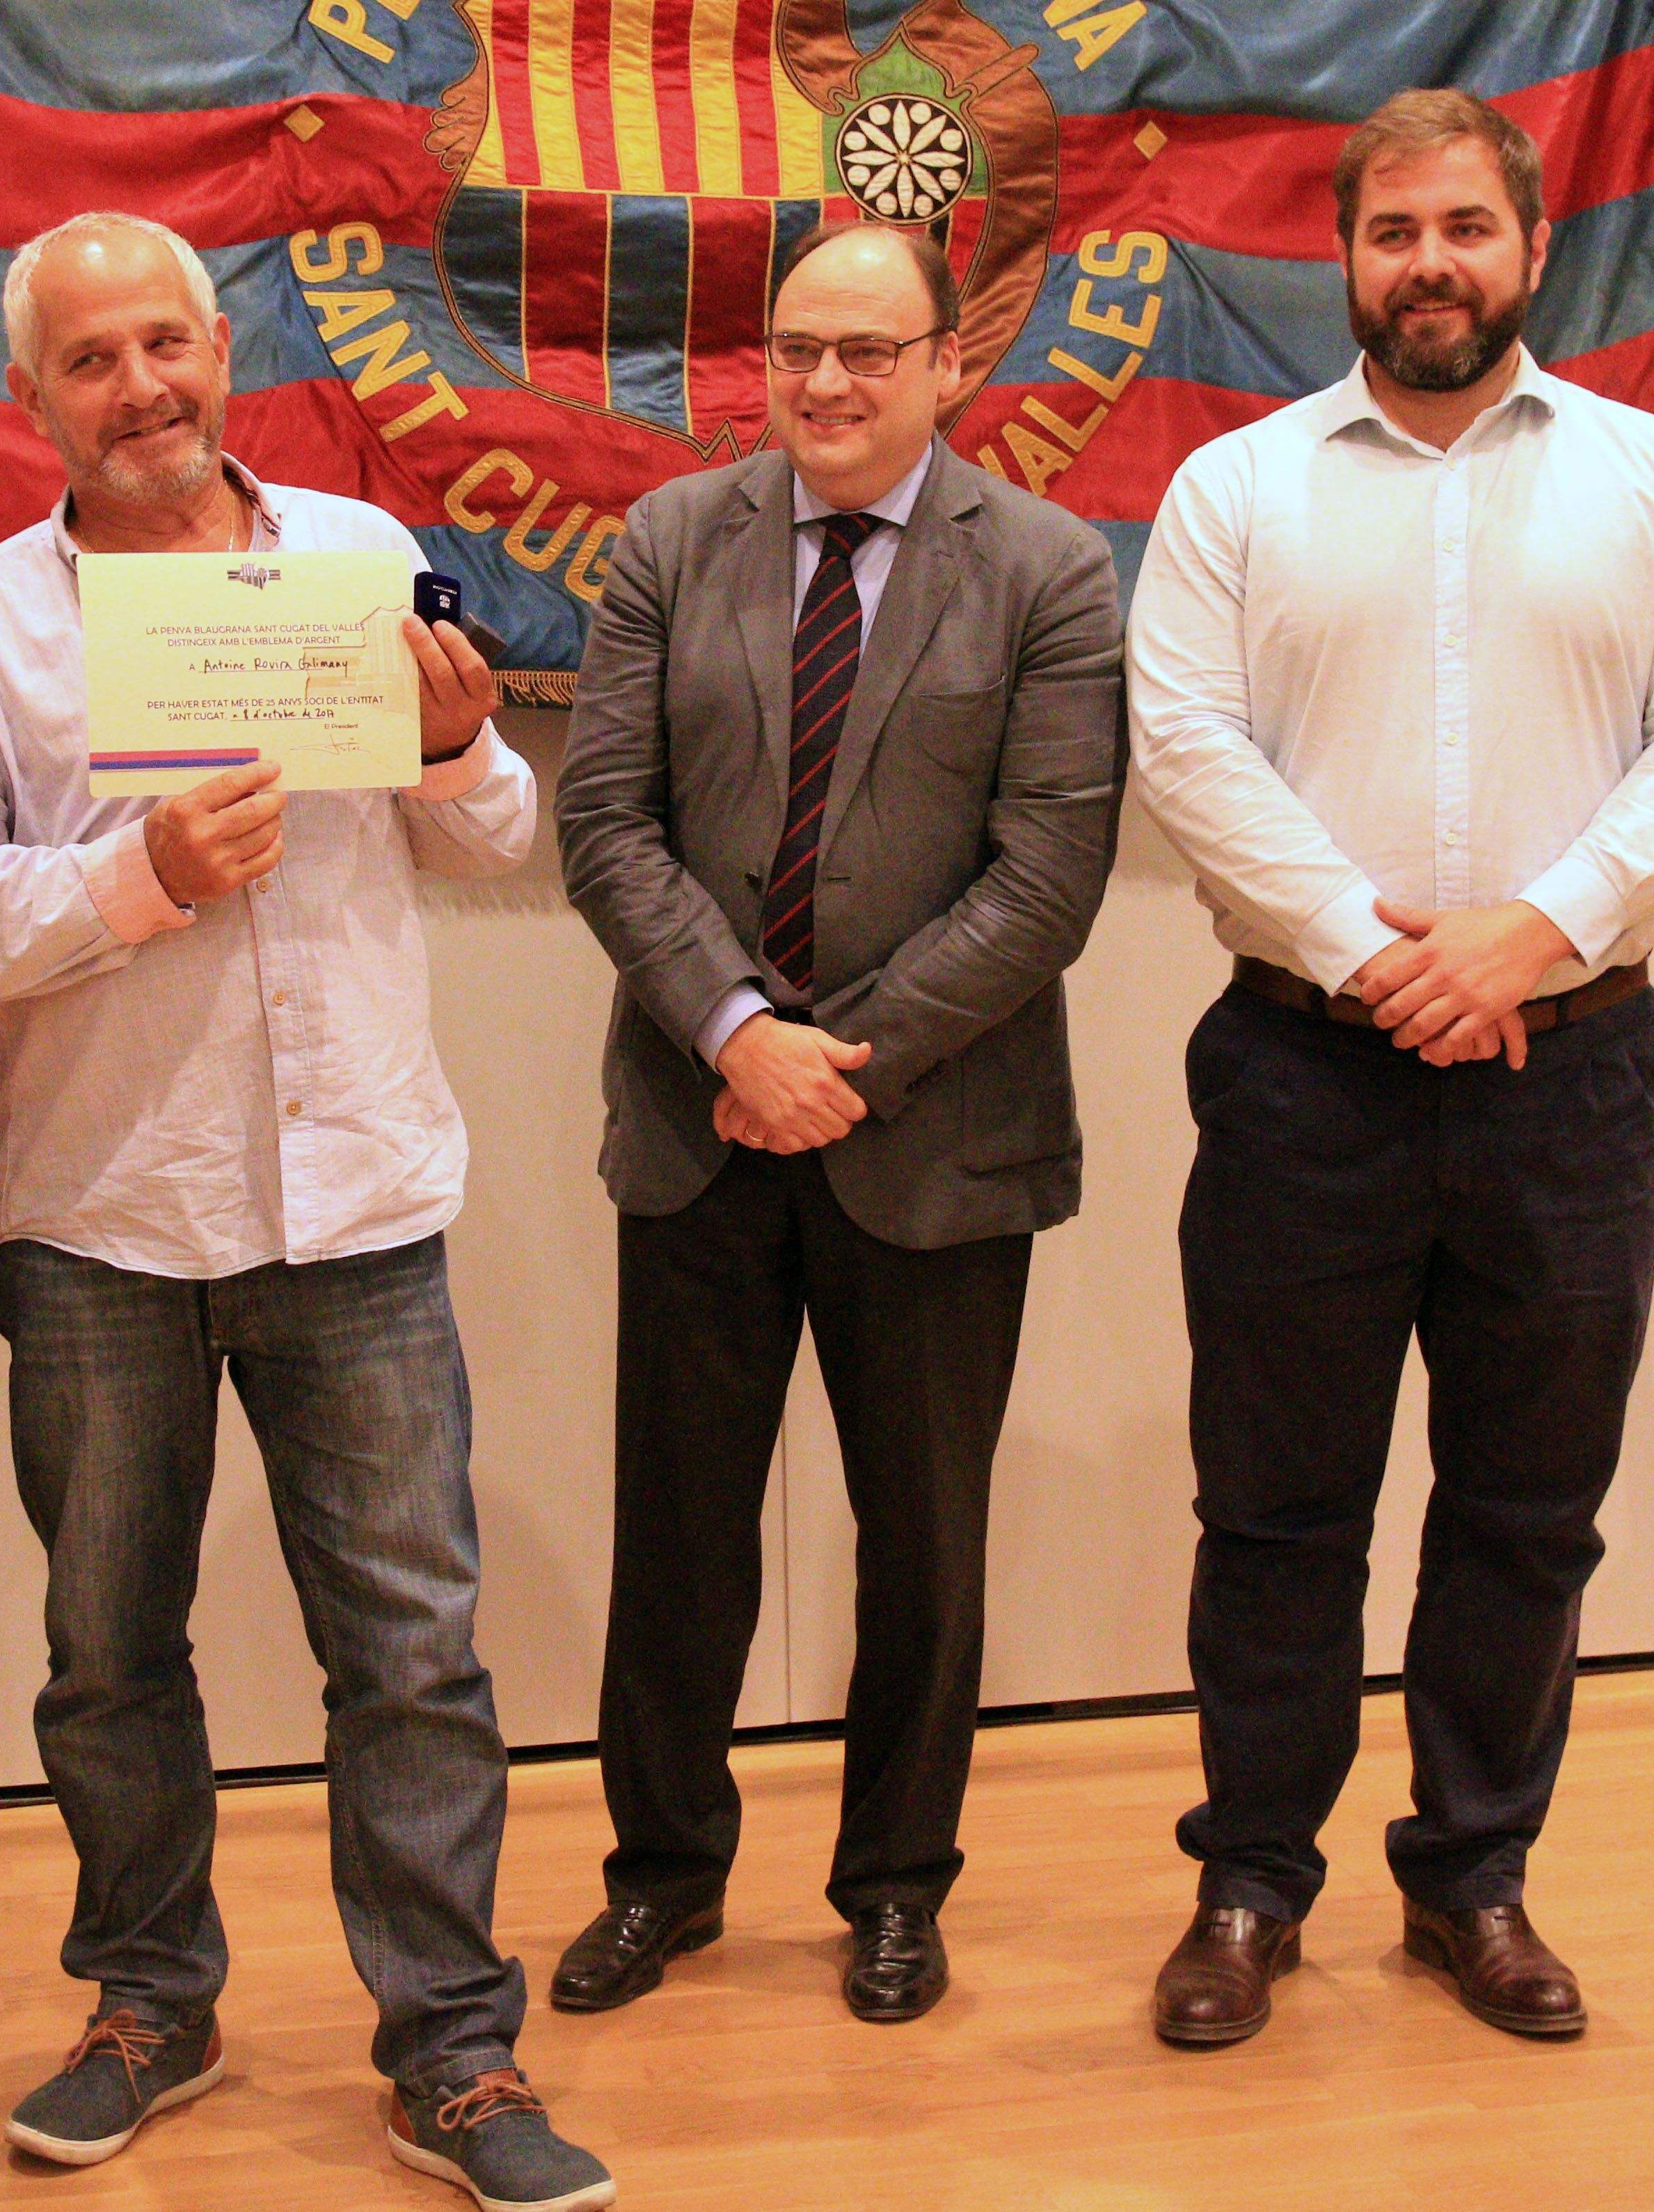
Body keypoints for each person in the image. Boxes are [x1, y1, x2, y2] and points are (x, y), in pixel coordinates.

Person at [0, 211, 614, 2212]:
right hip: (105, 1219)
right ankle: (146, 2003)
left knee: (416, 1657)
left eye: (166, 346)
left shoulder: (370, 560)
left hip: (357, 1203)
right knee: (111, 1649)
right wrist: (137, 880)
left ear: (223, 352)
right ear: (32, 398)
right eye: (90, 361)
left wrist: (460, 741)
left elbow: (498, 828)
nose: (141, 389)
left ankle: (453, 2049)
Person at [1124, 88, 1654, 2049]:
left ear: (1529, 241)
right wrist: (1376, 954)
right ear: (1345, 254)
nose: (1431, 265)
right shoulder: (1238, 491)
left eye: (1465, 230)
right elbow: (1188, 747)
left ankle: (1473, 1876)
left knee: (1526, 1508)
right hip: (1300, 1078)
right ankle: (1250, 1879)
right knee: (1277, 1510)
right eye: (1395, 231)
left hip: (1572, 1081)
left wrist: (1531, 933)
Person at [552, 220, 1127, 2026]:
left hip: (937, 1138)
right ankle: (663, 1877)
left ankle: (895, 1885)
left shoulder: (1046, 568)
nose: (824, 382)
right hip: (698, 1117)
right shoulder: (668, 542)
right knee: (682, 1533)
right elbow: (608, 828)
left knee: (925, 1543)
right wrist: (737, 1031)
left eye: (869, 351)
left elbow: (1047, 878)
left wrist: (836, 1059)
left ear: (951, 364)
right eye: (798, 346)